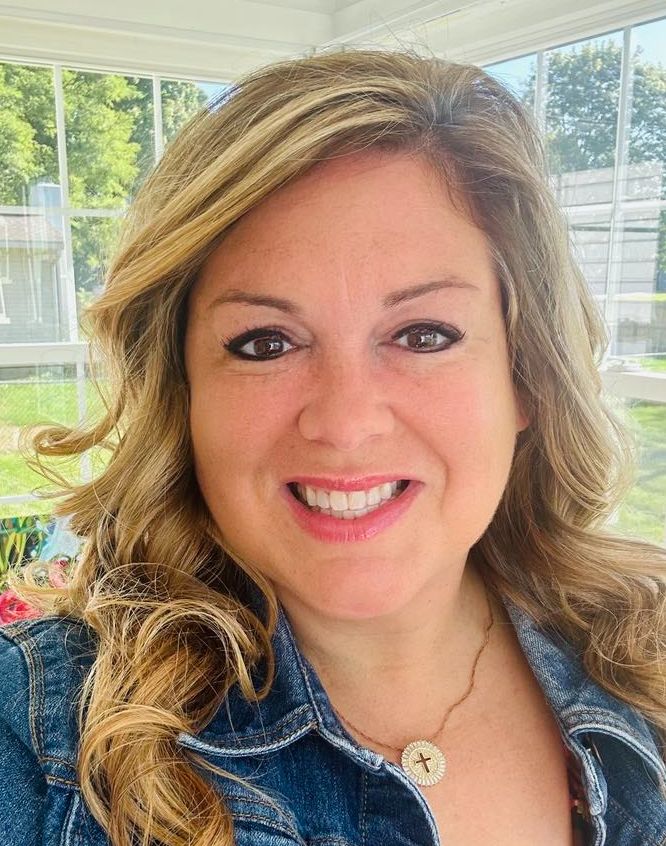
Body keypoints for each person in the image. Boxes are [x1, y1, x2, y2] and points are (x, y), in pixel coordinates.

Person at [0, 49, 664, 846]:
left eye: (424, 334)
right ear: (184, 391)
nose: (346, 425)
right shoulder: (34, 741)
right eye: (264, 343)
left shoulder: (650, 657)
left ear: (525, 375)